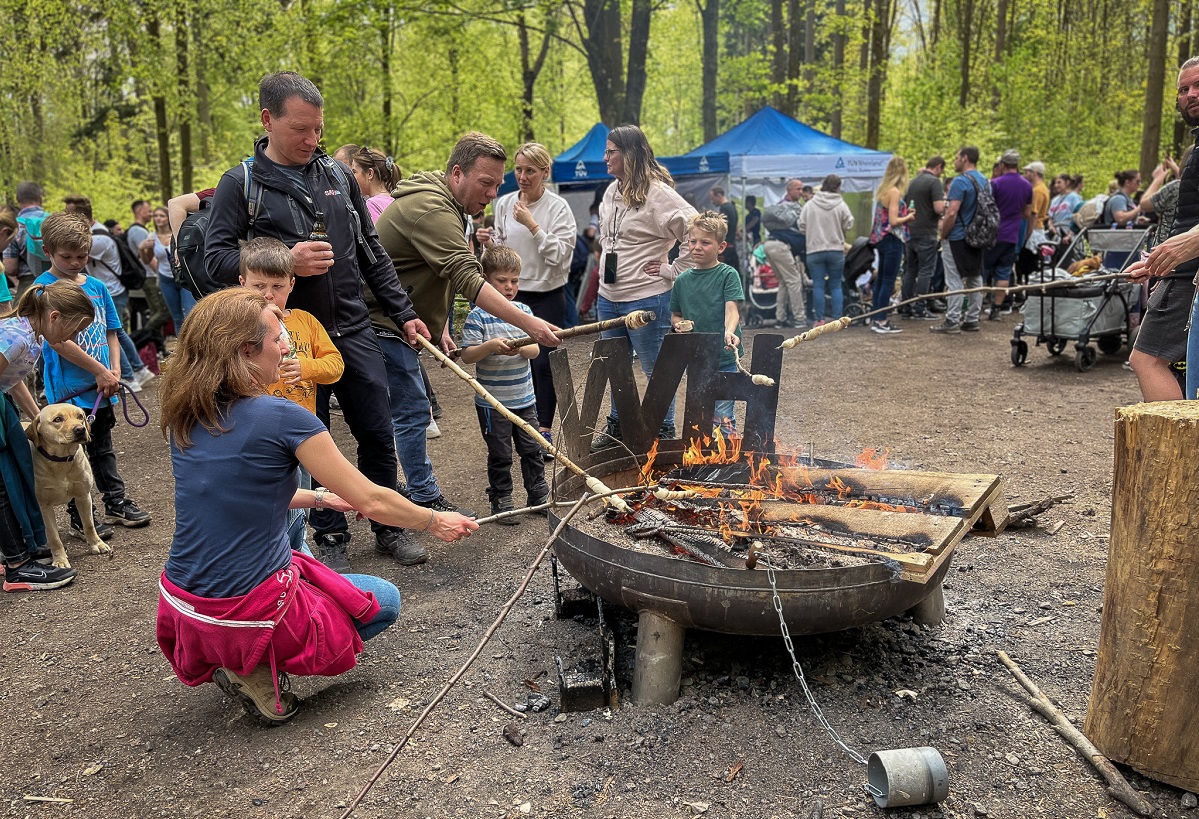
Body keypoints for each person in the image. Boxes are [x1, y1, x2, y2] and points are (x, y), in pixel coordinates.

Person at [155, 287, 478, 725]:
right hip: (243, 611)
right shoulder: (282, 416)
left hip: (183, 605)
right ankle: (254, 668)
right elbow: (373, 498)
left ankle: (233, 659)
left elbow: (240, 491)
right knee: (383, 600)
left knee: (307, 567)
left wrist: (323, 497)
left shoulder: (186, 413)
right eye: (277, 338)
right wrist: (434, 519)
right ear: (246, 351)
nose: (286, 345)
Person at [204, 71, 432, 572]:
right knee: (306, 435)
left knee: (376, 429)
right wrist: (287, 259)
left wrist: (405, 313)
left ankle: (389, 527)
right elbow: (213, 258)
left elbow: (372, 251)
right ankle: (326, 532)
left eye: (318, 130)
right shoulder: (239, 183)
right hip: (284, 338)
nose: (312, 140)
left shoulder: (337, 176)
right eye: (300, 130)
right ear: (268, 121)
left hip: (352, 327)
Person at [374, 132, 562, 498]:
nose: (493, 194)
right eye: (486, 183)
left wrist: (439, 324)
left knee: (407, 410)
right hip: (380, 322)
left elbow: (433, 271)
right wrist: (530, 323)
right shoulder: (432, 209)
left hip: (402, 321)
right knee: (412, 411)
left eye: (497, 185)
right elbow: (465, 276)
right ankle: (419, 496)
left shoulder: (451, 205)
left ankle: (397, 491)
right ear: (457, 173)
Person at [34, 212, 152, 535]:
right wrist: (100, 370)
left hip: (102, 387)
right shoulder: (42, 289)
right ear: (48, 252)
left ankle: (116, 501)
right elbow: (57, 341)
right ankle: (80, 515)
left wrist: (113, 369)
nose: (74, 263)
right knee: (70, 455)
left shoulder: (98, 287)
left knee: (102, 446)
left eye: (81, 257)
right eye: (66, 257)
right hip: (68, 395)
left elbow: (112, 331)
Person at [588, 124, 697, 451]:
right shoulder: (611, 191)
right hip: (609, 298)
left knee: (656, 369)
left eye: (611, 152)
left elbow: (695, 227)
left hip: (648, 297)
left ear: (631, 154)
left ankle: (662, 433)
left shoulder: (657, 192)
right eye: (606, 152)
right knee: (614, 367)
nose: (605, 158)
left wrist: (674, 269)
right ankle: (620, 428)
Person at [238, 237, 345, 560]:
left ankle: (298, 556)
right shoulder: (236, 327)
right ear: (242, 283)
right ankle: (287, 559)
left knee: (302, 503)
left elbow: (336, 366)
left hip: (302, 436)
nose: (268, 294)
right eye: (258, 285)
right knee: (274, 504)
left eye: (276, 286)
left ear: (291, 284)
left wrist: (308, 367)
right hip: (258, 437)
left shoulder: (306, 322)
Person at [0, 277, 96, 591]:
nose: (76, 337)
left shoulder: (34, 339)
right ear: (54, 318)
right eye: (75, 330)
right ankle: (17, 565)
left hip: (4, 403)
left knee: (15, 475)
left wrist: (37, 420)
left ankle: (18, 549)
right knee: (2, 484)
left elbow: (12, 380)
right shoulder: (16, 336)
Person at [479, 142, 577, 447]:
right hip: (510, 297)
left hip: (546, 294)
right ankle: (517, 426)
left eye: (530, 170)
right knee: (511, 359)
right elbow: (503, 253)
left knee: (543, 363)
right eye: (518, 169)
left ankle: (543, 429)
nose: (522, 176)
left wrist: (533, 225)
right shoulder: (505, 202)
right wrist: (487, 244)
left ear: (544, 172)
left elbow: (560, 257)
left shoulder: (558, 208)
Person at [1125, 56, 1199, 401]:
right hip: (1181, 271)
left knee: (1147, 360)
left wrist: (1190, 246)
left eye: (1198, 85)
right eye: (1183, 89)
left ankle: (1180, 455)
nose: (1190, 94)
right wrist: (1158, 260)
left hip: (1189, 277)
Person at [459, 246, 550, 523]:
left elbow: (535, 350)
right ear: (485, 279)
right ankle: (502, 499)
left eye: (514, 281)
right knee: (500, 453)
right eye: (502, 281)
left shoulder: (523, 311)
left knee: (533, 449)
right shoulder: (478, 316)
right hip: (493, 403)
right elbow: (467, 355)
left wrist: (524, 348)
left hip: (525, 399)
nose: (509, 287)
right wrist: (489, 346)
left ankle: (538, 496)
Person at [62, 195, 154, 393]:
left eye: (69, 215)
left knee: (111, 333)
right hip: (110, 290)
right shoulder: (97, 234)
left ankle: (130, 376)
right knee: (118, 332)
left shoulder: (98, 239)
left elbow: (68, 248)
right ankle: (138, 370)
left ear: (81, 216)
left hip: (111, 292)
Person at [669, 211, 744, 437]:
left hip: (725, 356)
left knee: (722, 414)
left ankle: (729, 460)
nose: (697, 247)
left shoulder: (727, 275)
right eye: (693, 241)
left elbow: (732, 310)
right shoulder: (681, 281)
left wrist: (730, 332)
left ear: (721, 247)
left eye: (705, 242)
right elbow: (675, 316)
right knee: (700, 413)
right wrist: (680, 325)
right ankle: (707, 460)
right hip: (697, 359)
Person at [931, 146, 988, 334]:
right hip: (978, 236)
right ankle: (972, 318)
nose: (955, 161)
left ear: (965, 158)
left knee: (954, 279)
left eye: (957, 157)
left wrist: (943, 235)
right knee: (975, 277)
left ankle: (952, 320)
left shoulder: (960, 182)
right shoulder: (985, 181)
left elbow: (952, 212)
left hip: (957, 237)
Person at [798, 174, 855, 327]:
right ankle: (837, 319)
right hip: (836, 249)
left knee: (818, 285)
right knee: (836, 284)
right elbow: (849, 223)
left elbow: (801, 225)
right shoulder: (841, 204)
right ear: (837, 187)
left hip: (814, 250)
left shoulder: (810, 204)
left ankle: (819, 319)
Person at [868, 156, 915, 334]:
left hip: (881, 240)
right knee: (888, 280)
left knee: (881, 280)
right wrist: (908, 217)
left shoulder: (884, 191)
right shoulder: (894, 192)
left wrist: (904, 212)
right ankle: (882, 321)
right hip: (892, 240)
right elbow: (894, 221)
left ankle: (876, 316)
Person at [984, 150, 1033, 318]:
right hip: (1012, 234)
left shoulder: (995, 184)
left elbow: (986, 208)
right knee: (1004, 272)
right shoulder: (1027, 185)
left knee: (983, 271)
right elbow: (1027, 213)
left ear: (1003, 165)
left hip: (992, 234)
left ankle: (973, 310)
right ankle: (997, 308)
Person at [900, 157, 945, 321]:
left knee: (910, 270)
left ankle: (905, 306)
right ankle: (920, 307)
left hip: (910, 232)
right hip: (927, 232)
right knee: (926, 270)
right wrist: (946, 207)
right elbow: (938, 207)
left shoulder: (912, 182)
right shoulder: (934, 182)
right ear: (939, 167)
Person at [760, 179, 806, 328]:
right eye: (798, 189)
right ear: (789, 190)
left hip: (769, 244)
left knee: (784, 282)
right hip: (780, 246)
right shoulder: (788, 208)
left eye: (801, 189)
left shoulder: (781, 208)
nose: (800, 192)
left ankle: (780, 318)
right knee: (794, 280)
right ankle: (800, 318)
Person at [126, 200, 170, 336]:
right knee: (162, 311)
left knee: (155, 311)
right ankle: (141, 336)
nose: (153, 216)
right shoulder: (139, 231)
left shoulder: (140, 230)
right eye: (150, 212)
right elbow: (147, 259)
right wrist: (161, 272)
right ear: (139, 211)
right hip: (151, 277)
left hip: (153, 277)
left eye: (160, 215)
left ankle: (153, 342)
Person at [3, 182, 49, 298]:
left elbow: (10, 267)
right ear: (40, 198)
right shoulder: (56, 220)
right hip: (59, 282)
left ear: (18, 199)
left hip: (28, 285)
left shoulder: (14, 225)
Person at [349, 146, 402, 222]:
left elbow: (375, 233)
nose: (352, 177)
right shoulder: (395, 200)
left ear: (370, 173)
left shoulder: (372, 205)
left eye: (354, 172)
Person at [708, 186, 740, 273]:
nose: (712, 202)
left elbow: (722, 228)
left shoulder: (724, 208)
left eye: (713, 199)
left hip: (726, 248)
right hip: (732, 245)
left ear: (718, 195)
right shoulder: (732, 206)